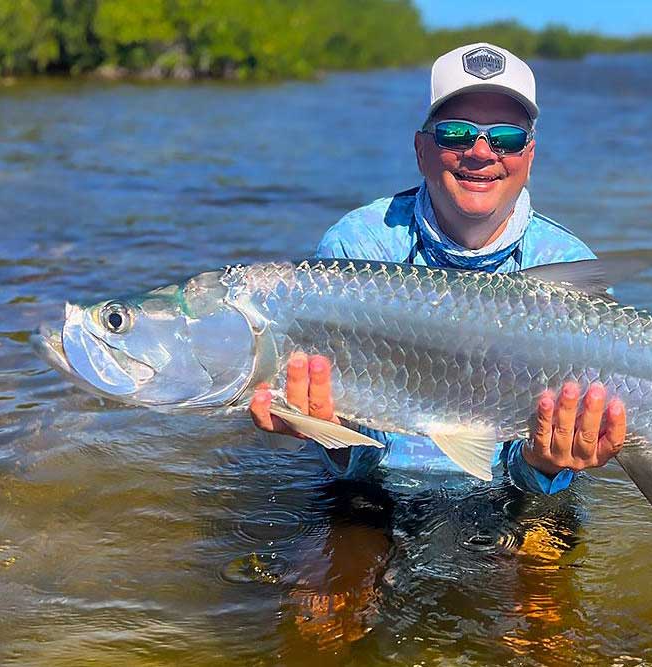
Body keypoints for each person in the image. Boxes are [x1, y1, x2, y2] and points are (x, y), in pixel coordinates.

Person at [250, 43, 627, 494]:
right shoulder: (358, 247)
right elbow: (353, 462)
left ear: (529, 155)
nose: (482, 152)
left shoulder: (564, 263)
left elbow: (538, 480)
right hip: (375, 494)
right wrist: (330, 437)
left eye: (505, 137)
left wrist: (543, 466)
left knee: (536, 561)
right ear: (422, 150)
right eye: (456, 134)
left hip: (511, 498)